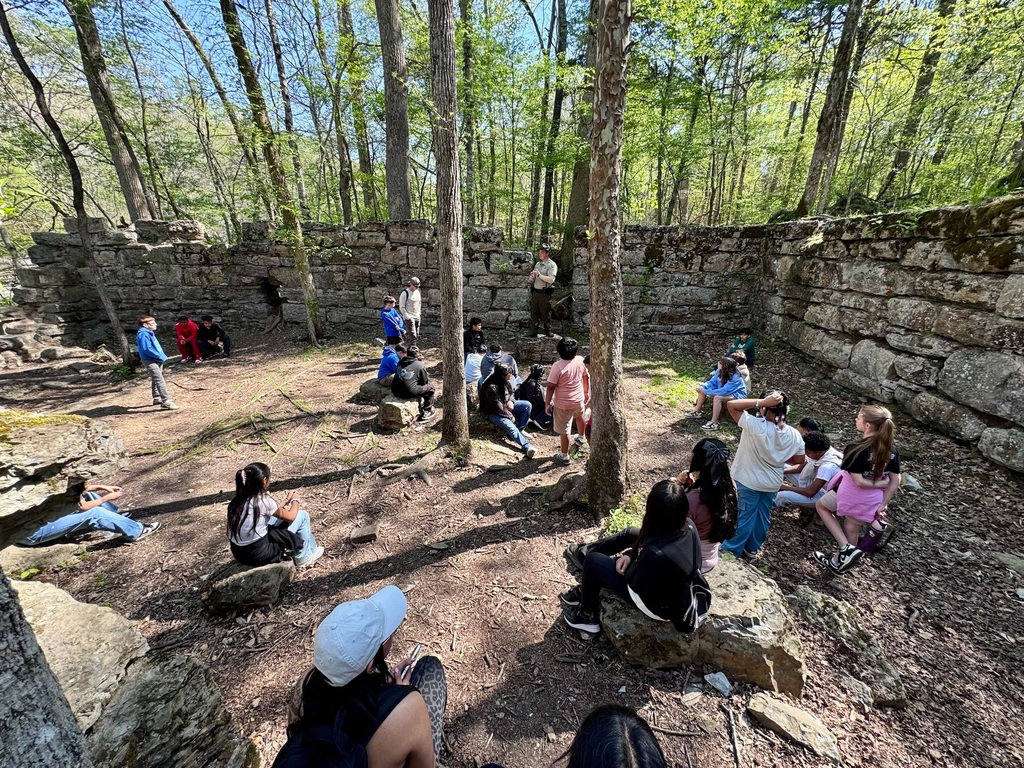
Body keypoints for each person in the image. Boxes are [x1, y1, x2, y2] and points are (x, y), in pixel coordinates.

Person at [278, 585, 447, 768]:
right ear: (370, 665)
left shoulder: (305, 687)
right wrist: (398, 698)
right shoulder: (410, 707)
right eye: (387, 636)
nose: (391, 635)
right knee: (430, 668)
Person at [560, 480, 705, 635]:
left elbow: (633, 581)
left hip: (656, 604)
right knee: (630, 533)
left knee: (594, 561)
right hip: (673, 583)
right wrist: (631, 553)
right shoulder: (688, 525)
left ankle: (586, 616)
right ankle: (583, 554)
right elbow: (649, 539)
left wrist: (623, 562)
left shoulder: (655, 556)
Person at [812, 405, 902, 574]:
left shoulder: (857, 448)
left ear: (867, 425)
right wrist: (883, 503)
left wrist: (880, 485)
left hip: (851, 492)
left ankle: (846, 548)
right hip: (873, 498)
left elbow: (858, 481)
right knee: (852, 528)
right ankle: (840, 563)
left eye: (859, 417)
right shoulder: (892, 450)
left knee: (822, 506)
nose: (856, 419)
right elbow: (896, 479)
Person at [719, 391, 804, 559]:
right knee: (763, 515)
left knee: (744, 515)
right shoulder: (794, 434)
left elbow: (731, 405)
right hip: (772, 482)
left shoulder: (755, 426)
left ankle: (731, 550)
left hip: (748, 480)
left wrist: (761, 401)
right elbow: (800, 459)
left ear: (765, 408)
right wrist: (778, 454)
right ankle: (752, 548)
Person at [226, 461, 324, 568]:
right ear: (264, 481)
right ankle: (303, 558)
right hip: (259, 554)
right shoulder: (263, 501)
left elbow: (271, 512)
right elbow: (291, 516)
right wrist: (295, 500)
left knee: (276, 520)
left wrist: (286, 500)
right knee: (303, 515)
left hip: (240, 553)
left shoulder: (236, 502)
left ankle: (311, 550)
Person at [18, 483, 160, 546]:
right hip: (32, 532)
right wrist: (106, 498)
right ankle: (137, 531)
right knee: (95, 512)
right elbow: (83, 507)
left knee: (91, 495)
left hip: (42, 520)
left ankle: (115, 521)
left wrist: (101, 487)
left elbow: (77, 489)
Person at [675, 438, 738, 573]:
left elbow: (671, 528)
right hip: (710, 557)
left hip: (689, 561)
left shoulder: (693, 499)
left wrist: (675, 487)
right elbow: (709, 505)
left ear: (697, 460)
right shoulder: (730, 487)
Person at [777, 431, 843, 518]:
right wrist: (780, 471)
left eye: (808, 453)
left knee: (783, 496)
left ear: (819, 452)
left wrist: (784, 487)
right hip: (814, 483)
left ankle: (763, 509)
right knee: (781, 467)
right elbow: (800, 468)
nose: (807, 455)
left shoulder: (827, 467)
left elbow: (810, 492)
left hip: (823, 496)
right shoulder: (823, 451)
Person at [479, 362, 537, 459]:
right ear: (502, 376)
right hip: (492, 412)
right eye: (508, 374)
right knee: (510, 425)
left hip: (504, 405)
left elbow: (511, 393)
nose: (510, 375)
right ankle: (527, 446)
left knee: (527, 405)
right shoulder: (490, 387)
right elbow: (498, 408)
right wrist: (510, 416)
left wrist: (511, 401)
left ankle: (519, 430)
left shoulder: (504, 382)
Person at [546, 337, 589, 465]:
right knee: (579, 416)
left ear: (559, 351)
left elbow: (550, 386)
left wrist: (547, 403)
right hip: (578, 398)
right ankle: (582, 437)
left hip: (562, 403)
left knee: (564, 430)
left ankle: (564, 455)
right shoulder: (580, 360)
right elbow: (585, 376)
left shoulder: (557, 366)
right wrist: (586, 392)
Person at [686, 357, 747, 431]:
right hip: (723, 391)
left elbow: (724, 391)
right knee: (703, 389)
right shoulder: (719, 371)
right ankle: (697, 411)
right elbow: (712, 382)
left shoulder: (736, 378)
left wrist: (706, 391)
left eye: (720, 363)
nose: (718, 363)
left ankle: (713, 422)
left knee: (717, 398)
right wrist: (703, 387)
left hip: (736, 394)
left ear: (725, 366)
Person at [137, 316, 179, 410]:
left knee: (156, 378)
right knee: (159, 379)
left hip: (156, 358)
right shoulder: (143, 334)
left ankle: (156, 397)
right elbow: (146, 349)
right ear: (145, 325)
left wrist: (160, 356)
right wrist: (159, 356)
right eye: (153, 323)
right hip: (149, 359)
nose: (156, 324)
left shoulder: (149, 332)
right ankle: (166, 401)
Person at [392, 344, 436, 422]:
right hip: (408, 392)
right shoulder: (419, 365)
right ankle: (427, 411)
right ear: (417, 355)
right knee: (430, 388)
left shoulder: (400, 361)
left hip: (395, 390)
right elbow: (424, 381)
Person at [528, 243, 558, 337]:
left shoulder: (551, 265)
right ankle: (533, 331)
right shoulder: (538, 264)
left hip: (545, 294)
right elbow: (533, 279)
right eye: (539, 252)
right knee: (534, 313)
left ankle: (548, 330)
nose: (540, 254)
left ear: (547, 253)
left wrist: (539, 275)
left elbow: (551, 279)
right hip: (536, 292)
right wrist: (532, 277)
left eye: (542, 252)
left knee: (545, 313)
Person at [515, 364, 551, 430]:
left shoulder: (526, 383)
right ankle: (540, 420)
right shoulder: (537, 387)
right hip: (534, 411)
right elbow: (543, 403)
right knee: (553, 410)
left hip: (526, 409)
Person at [399, 277, 422, 343]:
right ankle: (412, 349)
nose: (417, 287)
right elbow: (401, 307)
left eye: (418, 286)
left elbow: (419, 303)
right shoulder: (405, 293)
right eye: (415, 286)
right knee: (413, 336)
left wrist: (419, 314)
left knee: (416, 335)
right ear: (411, 284)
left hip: (417, 316)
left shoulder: (418, 292)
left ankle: (412, 348)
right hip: (409, 317)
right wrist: (407, 317)